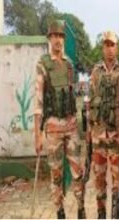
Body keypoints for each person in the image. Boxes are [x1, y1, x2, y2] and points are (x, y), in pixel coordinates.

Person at [34, 20, 86, 219]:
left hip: (71, 126)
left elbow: (76, 93)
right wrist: (37, 135)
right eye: (54, 36)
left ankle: (81, 209)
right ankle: (60, 211)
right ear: (49, 38)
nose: (58, 40)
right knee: (56, 175)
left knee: (77, 172)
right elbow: (38, 101)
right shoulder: (43, 65)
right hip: (53, 128)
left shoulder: (69, 65)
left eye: (61, 36)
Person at [86, 31, 119, 219]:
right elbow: (89, 100)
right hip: (98, 134)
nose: (109, 48)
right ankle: (101, 214)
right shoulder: (95, 71)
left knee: (117, 180)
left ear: (117, 48)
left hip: (116, 135)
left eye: (112, 45)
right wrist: (88, 129)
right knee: (99, 179)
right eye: (106, 45)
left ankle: (116, 214)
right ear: (103, 47)